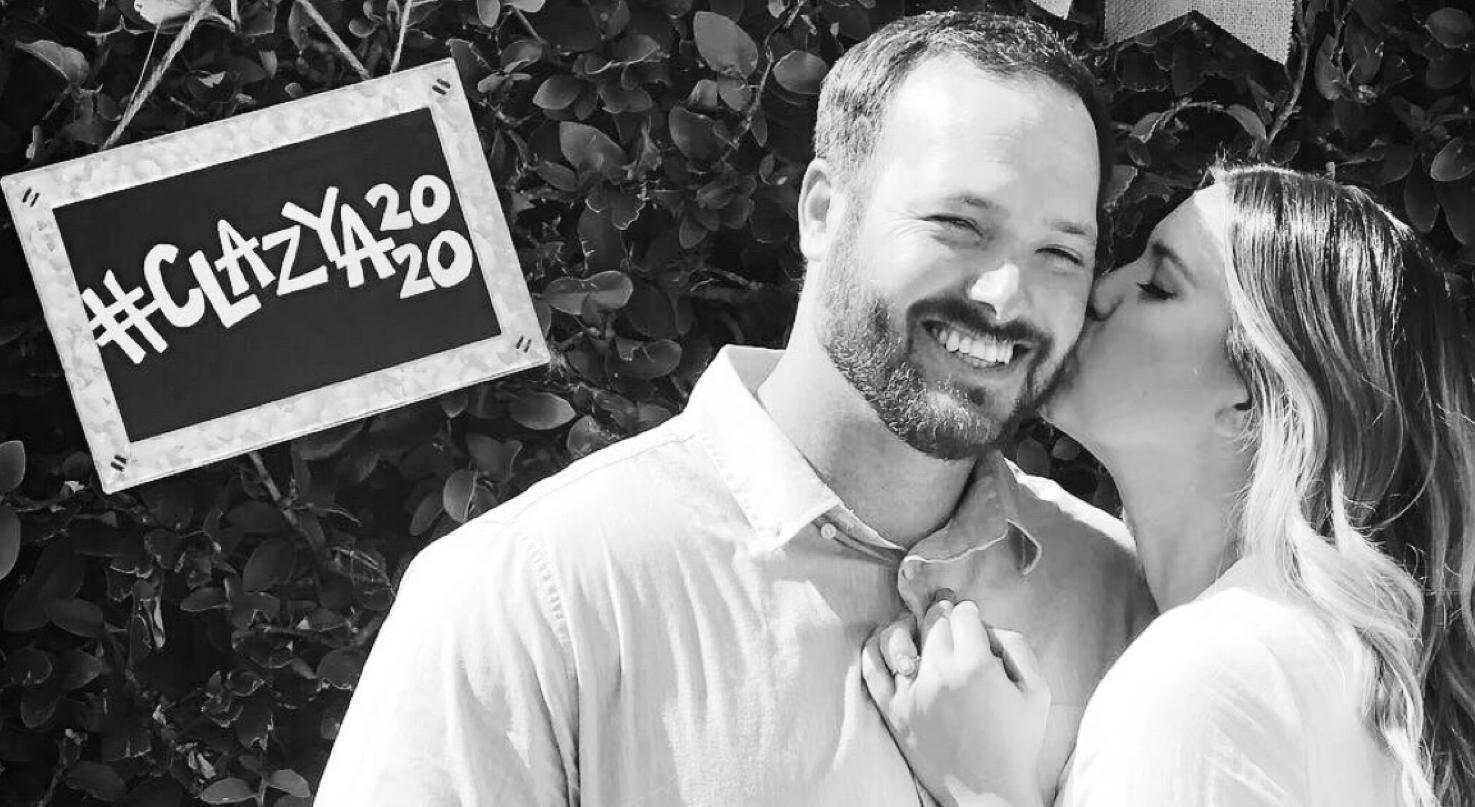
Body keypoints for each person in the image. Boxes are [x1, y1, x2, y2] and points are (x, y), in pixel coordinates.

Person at [314, 10, 1155, 807]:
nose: (1005, 295)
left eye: (1059, 252)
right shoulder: (533, 593)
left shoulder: (1125, 605)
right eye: (958, 224)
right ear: (822, 211)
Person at [862, 165, 1475, 807]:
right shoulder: (1341, 677)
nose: (1100, 291)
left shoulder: (1207, 680)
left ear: (1253, 398)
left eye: (1158, 287)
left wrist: (983, 786)